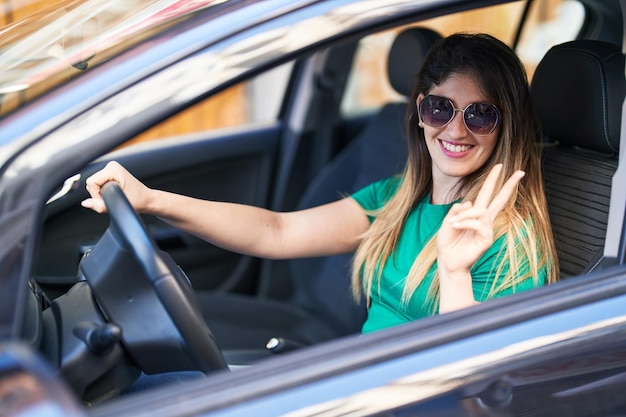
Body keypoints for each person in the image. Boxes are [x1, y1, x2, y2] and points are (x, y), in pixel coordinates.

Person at [82, 33, 558, 335]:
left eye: (480, 114)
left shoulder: (509, 240)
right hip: (360, 380)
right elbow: (275, 232)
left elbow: (482, 386)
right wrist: (150, 200)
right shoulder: (393, 200)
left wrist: (454, 275)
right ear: (417, 111)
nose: (455, 130)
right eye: (440, 109)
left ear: (506, 124)